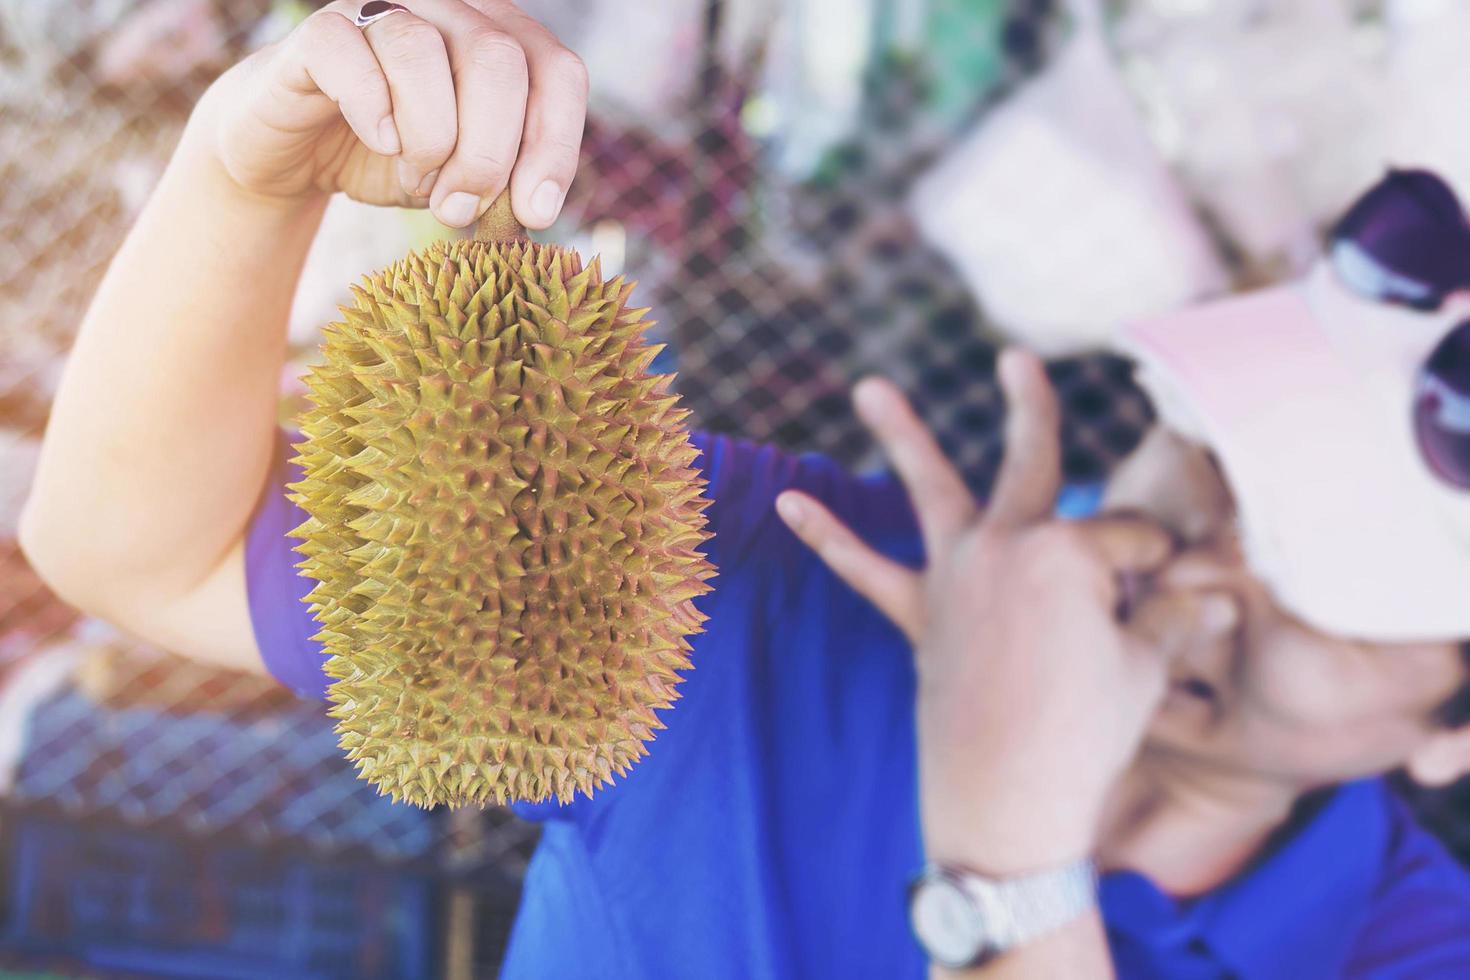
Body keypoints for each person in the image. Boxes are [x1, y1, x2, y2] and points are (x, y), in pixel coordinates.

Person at [18, 2, 1470, 976]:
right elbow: (139, 549)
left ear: (1447, 731)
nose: (1192, 573)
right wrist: (247, 171)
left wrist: (1013, 861)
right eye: (1209, 466)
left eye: (1307, 575)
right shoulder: (777, 574)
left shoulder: (1410, 947)